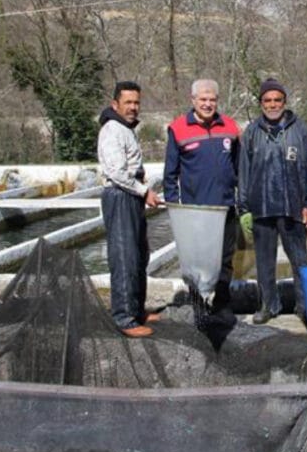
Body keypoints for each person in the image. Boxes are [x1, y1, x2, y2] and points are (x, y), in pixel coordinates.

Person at [238, 77, 307, 325]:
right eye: (267, 100)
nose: (272, 105)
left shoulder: (299, 129)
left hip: (292, 205)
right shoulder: (251, 131)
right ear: (261, 103)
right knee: (264, 262)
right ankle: (269, 305)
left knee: (300, 260)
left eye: (277, 100)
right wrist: (243, 207)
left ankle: (305, 306)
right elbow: (244, 170)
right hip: (261, 207)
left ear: (284, 101)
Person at [164, 78, 241, 324]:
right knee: (197, 262)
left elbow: (239, 166)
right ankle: (198, 305)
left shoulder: (230, 126)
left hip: (225, 207)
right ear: (193, 100)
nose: (208, 104)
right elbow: (170, 174)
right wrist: (175, 208)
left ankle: (222, 305)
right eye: (203, 99)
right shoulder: (178, 129)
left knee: (225, 259)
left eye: (212, 99)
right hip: (195, 211)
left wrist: (242, 197)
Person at [97, 81, 161, 338]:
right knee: (124, 256)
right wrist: (144, 191)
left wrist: (142, 191)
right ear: (115, 104)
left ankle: (136, 309)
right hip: (119, 195)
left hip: (131, 195)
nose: (133, 107)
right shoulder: (112, 130)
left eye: (136, 102)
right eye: (128, 103)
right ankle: (125, 318)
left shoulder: (126, 128)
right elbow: (116, 172)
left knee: (139, 254)